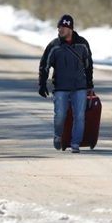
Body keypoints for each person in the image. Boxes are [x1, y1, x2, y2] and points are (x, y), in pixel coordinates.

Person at [38, 14, 94, 153]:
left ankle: (75, 143)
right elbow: (44, 65)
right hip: (60, 87)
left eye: (63, 28)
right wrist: (42, 84)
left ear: (70, 28)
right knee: (60, 115)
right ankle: (58, 136)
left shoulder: (82, 44)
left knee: (80, 116)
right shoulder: (54, 46)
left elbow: (88, 65)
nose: (60, 31)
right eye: (59, 28)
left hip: (79, 87)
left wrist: (89, 84)